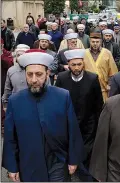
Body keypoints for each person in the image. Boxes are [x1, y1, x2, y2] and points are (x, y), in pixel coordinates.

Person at [2, 50, 85, 181]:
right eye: (30, 75)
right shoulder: (15, 101)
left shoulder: (63, 96)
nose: (34, 80)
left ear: (47, 74)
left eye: (39, 74)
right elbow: (10, 137)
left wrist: (73, 159)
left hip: (57, 161)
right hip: (29, 163)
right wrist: (12, 166)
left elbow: (72, 130)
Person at [55, 49, 103, 171]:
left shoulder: (93, 78)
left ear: (83, 64)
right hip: (69, 122)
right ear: (69, 65)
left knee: (86, 150)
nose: (77, 68)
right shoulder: (61, 78)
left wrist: (98, 124)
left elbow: (98, 104)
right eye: (73, 65)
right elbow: (57, 102)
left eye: (79, 64)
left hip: (88, 123)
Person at [83, 33, 118, 102]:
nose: (95, 44)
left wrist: (110, 84)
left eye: (97, 42)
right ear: (90, 42)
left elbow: (113, 71)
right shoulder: (84, 53)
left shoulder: (107, 53)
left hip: (104, 88)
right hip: (87, 87)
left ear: (101, 42)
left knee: (103, 109)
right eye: (93, 42)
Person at [2, 44, 30, 110]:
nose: (20, 57)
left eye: (22, 55)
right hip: (15, 106)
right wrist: (5, 105)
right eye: (18, 55)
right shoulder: (11, 70)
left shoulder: (34, 70)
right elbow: (7, 90)